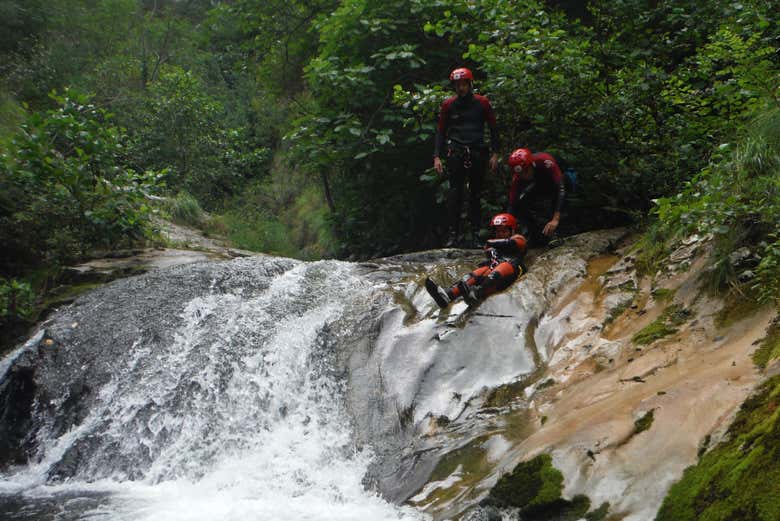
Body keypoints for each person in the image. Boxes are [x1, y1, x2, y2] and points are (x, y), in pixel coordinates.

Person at [433, 67, 500, 247]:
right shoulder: (448, 105)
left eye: (463, 84)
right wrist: (437, 157)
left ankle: (476, 235)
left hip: (477, 151)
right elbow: (440, 132)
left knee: (476, 195)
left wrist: (495, 153)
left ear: (470, 84)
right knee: (455, 194)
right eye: (457, 85)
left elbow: (493, 128)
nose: (460, 88)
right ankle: (453, 236)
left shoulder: (482, 103)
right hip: (456, 152)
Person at [425, 213, 527, 308]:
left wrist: (492, 243)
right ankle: (449, 294)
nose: (500, 234)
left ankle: (477, 293)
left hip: (512, 270)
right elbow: (490, 254)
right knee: (476, 274)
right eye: (498, 231)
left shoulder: (518, 238)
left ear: (512, 230)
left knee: (502, 267)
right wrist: (491, 247)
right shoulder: (492, 246)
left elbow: (513, 243)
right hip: (493, 279)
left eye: (504, 231)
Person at [506, 148, 565, 246]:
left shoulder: (545, 161)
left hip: (557, 180)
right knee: (521, 201)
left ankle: (556, 232)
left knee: (555, 197)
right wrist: (507, 230)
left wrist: (555, 219)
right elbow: (512, 202)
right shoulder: (518, 177)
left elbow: (561, 189)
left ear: (532, 165)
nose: (524, 176)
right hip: (537, 183)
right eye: (521, 174)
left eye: (526, 171)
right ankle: (534, 234)